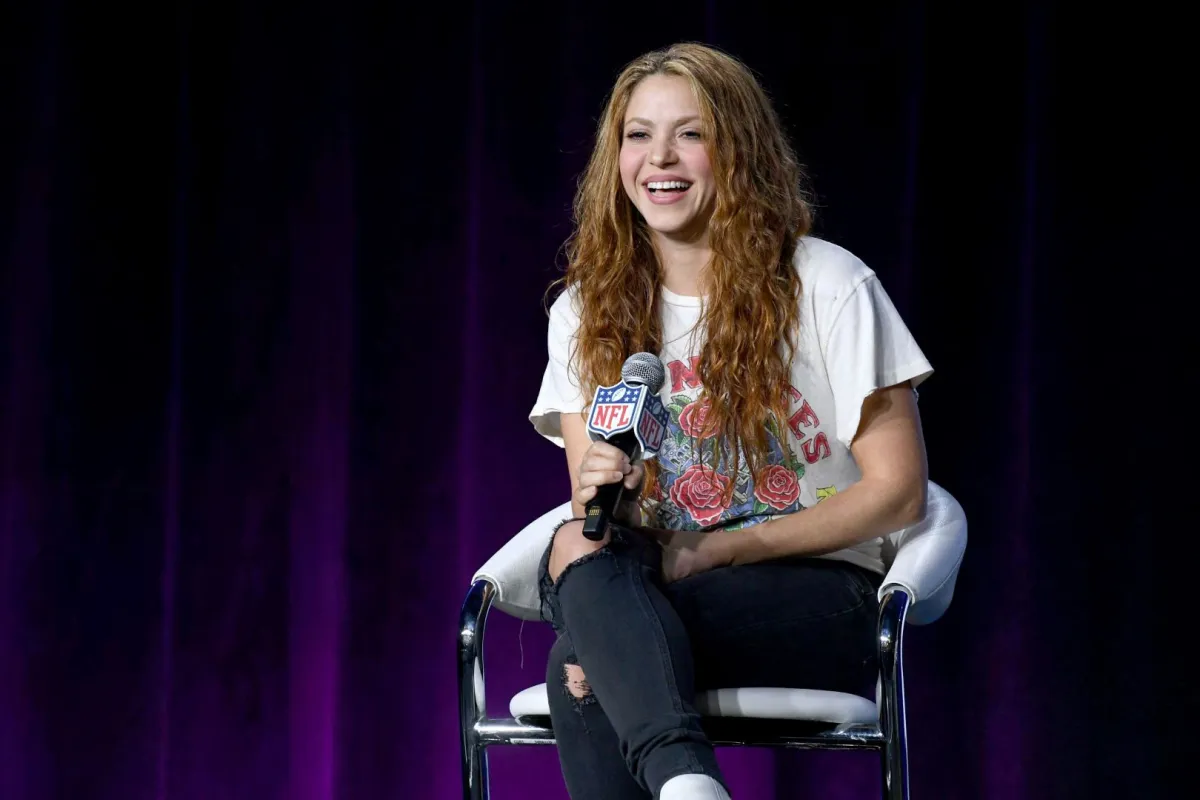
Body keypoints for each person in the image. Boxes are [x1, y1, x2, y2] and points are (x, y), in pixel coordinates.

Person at [529, 42, 933, 800]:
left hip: (824, 590)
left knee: (582, 659)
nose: (661, 158)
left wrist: (726, 550)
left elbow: (900, 494)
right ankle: (686, 782)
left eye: (691, 132)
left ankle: (683, 778)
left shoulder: (827, 283)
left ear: (737, 150)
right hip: (661, 578)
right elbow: (600, 523)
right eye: (638, 135)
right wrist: (619, 489)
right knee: (582, 568)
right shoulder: (584, 312)